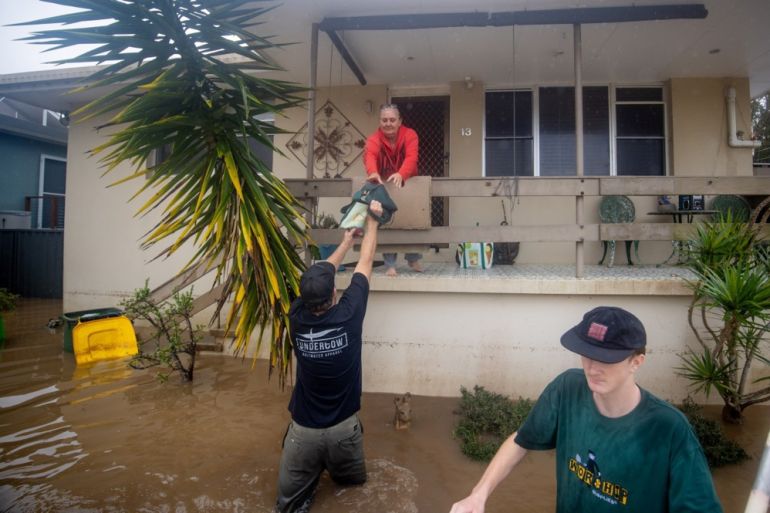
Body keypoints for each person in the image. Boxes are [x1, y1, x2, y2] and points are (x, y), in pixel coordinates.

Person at [449, 306, 723, 513]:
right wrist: (478, 495)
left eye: (606, 358)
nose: (592, 368)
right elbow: (521, 441)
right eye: (587, 354)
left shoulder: (669, 428)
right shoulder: (567, 388)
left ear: (636, 362)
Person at [275, 201, 384, 513]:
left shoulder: (296, 316)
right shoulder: (349, 314)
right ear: (334, 294)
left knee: (289, 507)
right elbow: (366, 261)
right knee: (353, 493)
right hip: (344, 432)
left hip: (303, 434)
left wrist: (345, 242)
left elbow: (323, 273)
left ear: (304, 298)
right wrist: (372, 222)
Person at [364, 103, 422, 277]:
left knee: (411, 219)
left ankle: (413, 258)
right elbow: (370, 155)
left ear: (399, 121)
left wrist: (401, 174)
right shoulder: (374, 138)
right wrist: (373, 172)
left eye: (392, 120)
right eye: (384, 120)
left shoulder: (410, 134)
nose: (388, 123)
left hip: (408, 181)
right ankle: (390, 264)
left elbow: (412, 157)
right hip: (386, 183)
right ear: (380, 121)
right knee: (388, 221)